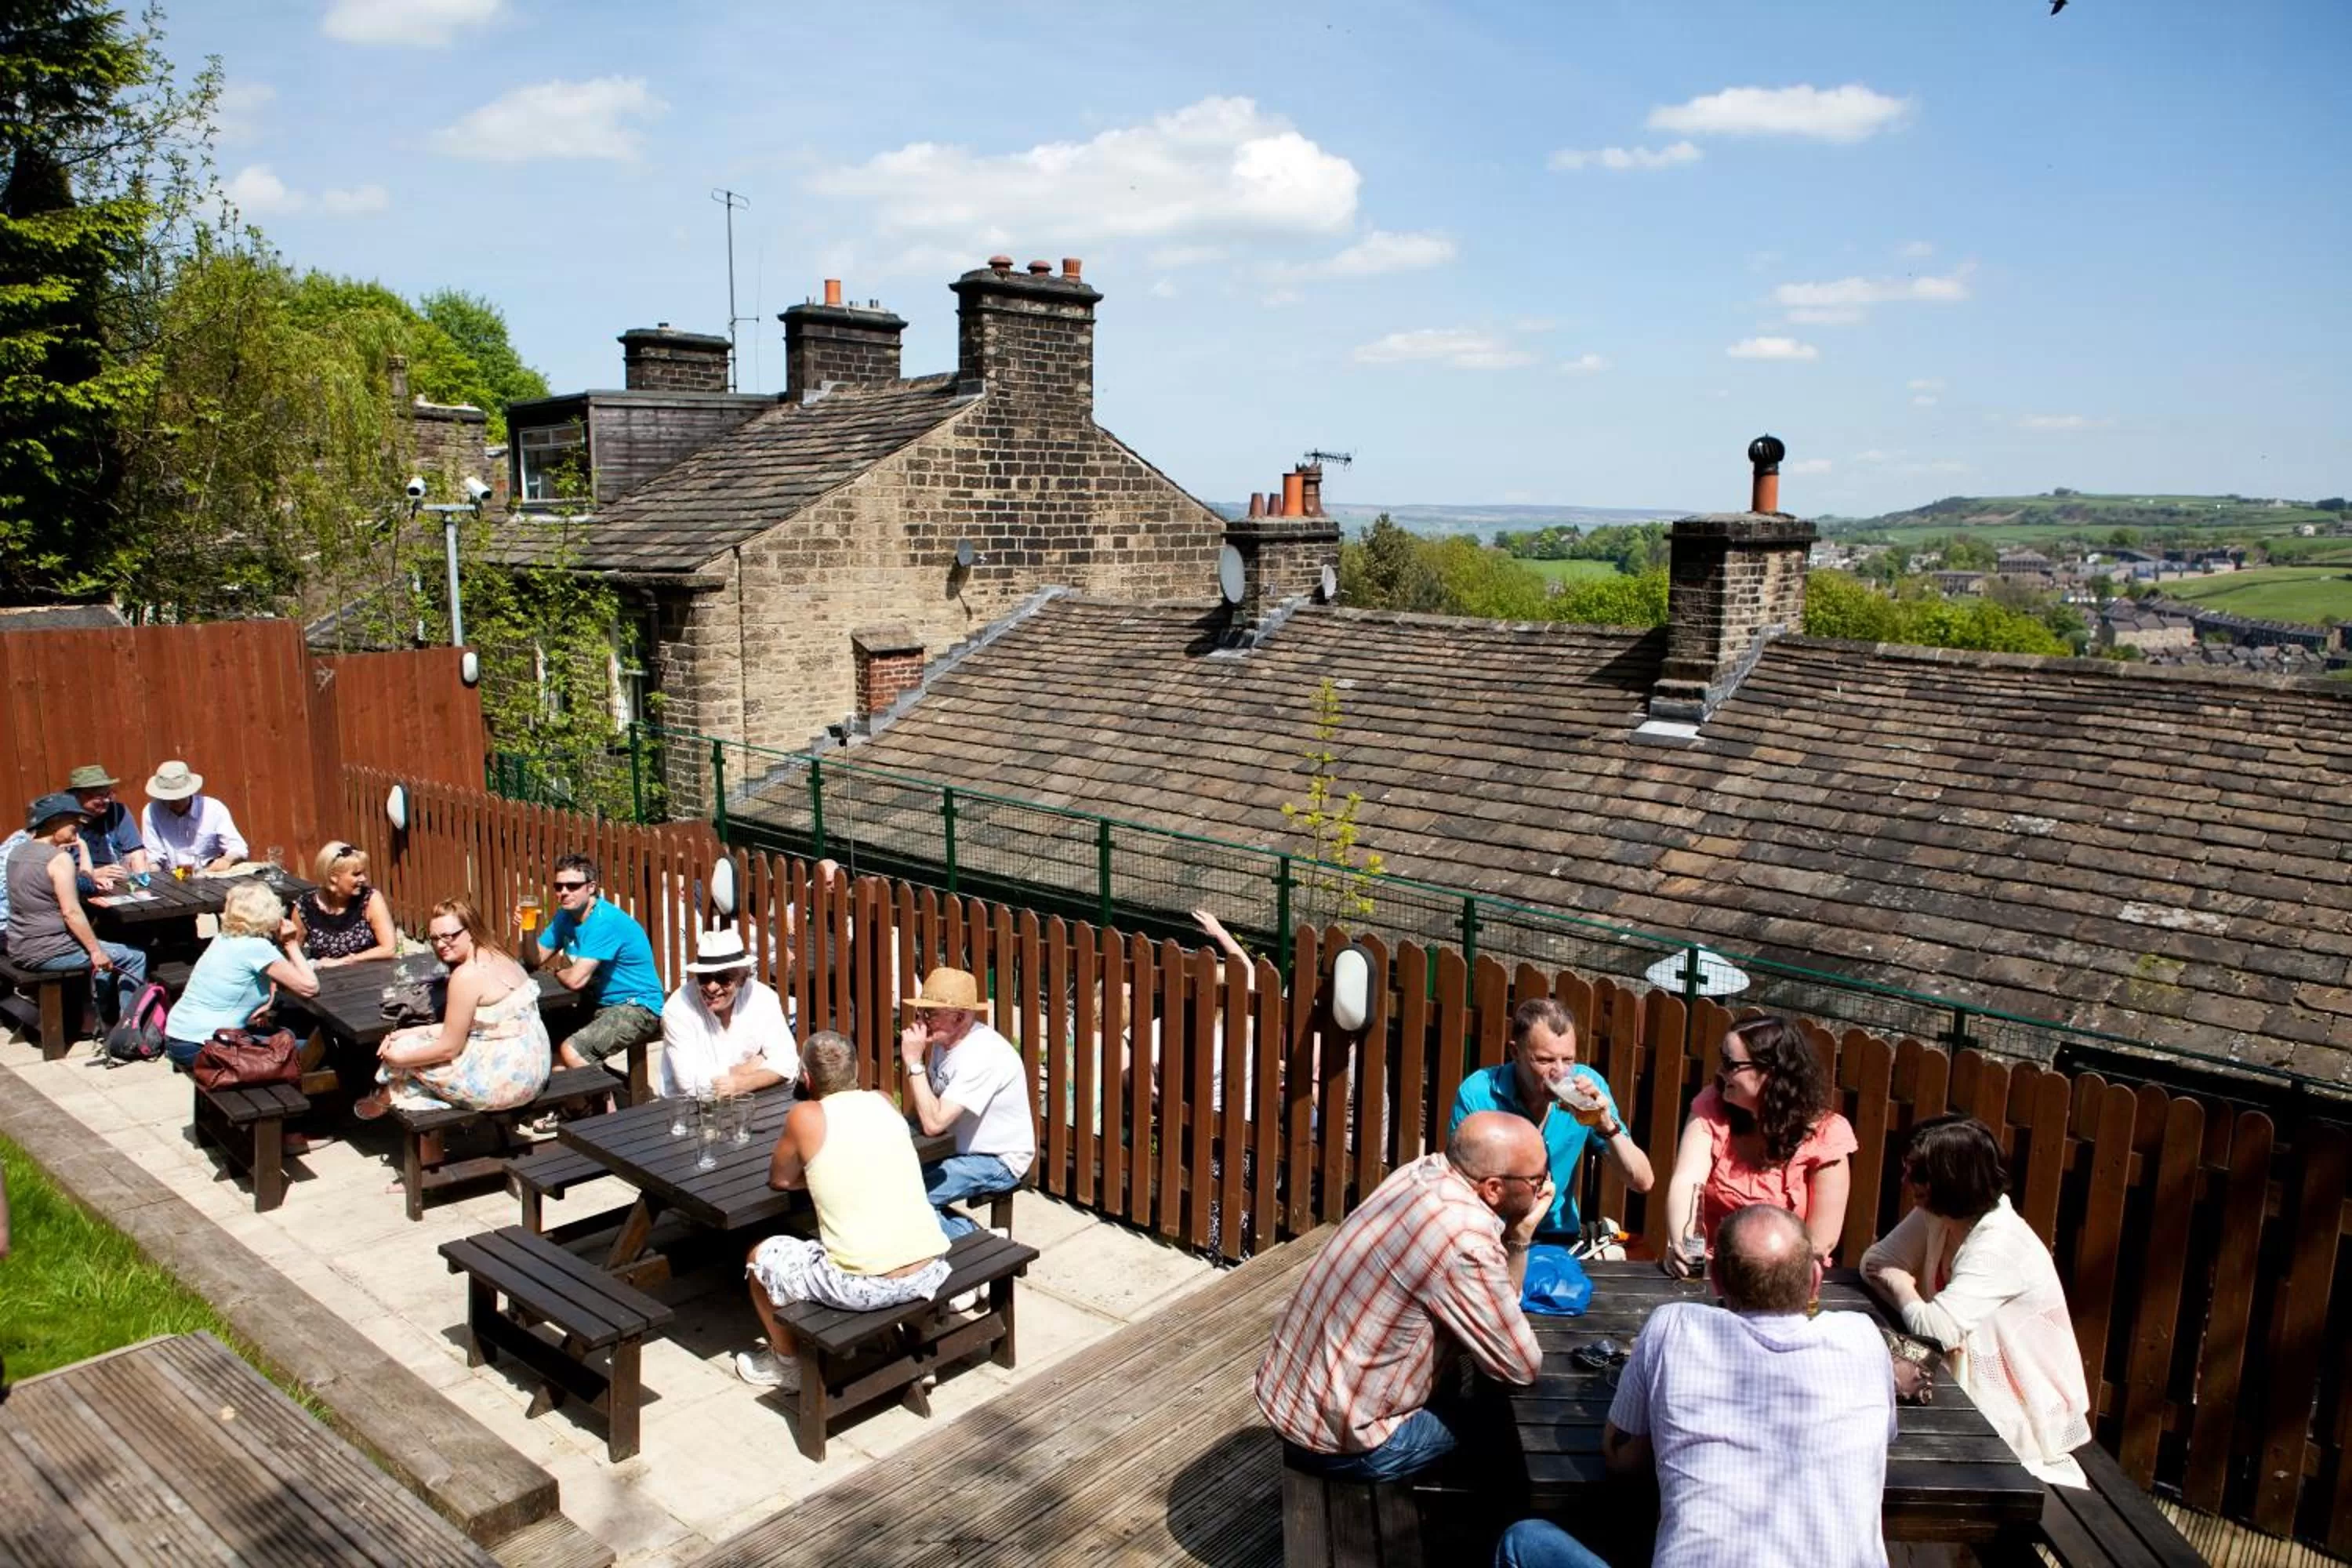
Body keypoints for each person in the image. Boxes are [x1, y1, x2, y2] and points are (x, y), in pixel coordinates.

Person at [1494, 1203, 1896, 1568]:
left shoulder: (1675, 1325)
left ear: (1716, 1280)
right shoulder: (1863, 1337)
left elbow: (1619, 1457)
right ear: (1816, 1279)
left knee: (1523, 1541)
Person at [1256, 1111, 1548, 1481]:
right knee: (1502, 1425)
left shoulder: (1421, 1171)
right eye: (1537, 1179)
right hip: (1341, 1443)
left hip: (1290, 1399)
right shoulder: (1466, 1241)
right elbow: (1520, 1366)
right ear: (1493, 1188)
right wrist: (1520, 1238)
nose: (1543, 1187)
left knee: (1459, 1366)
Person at [1863, 1115, 2092, 1486]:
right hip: (1958, 1388)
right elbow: (1872, 1263)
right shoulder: (1938, 1214)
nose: (1905, 1183)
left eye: (1916, 1175)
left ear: (1951, 1181)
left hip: (2016, 1414)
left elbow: (1938, 1331)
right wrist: (1908, 1294)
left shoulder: (2000, 1244)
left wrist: (1901, 1286)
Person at [735, 1031, 955, 1390]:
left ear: (807, 1079)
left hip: (865, 1285)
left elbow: (781, 1179)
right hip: (930, 1270)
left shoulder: (805, 1115)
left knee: (759, 1255)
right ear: (855, 1071)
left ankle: (786, 1363)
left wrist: (820, 1175)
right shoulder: (883, 1100)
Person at [1449, 996, 1654, 1243]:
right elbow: (1460, 1190)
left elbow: (1642, 1181)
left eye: (1568, 1060)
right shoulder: (1480, 1095)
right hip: (1489, 1235)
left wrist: (1606, 1126)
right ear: (1515, 1052)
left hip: (1556, 1236)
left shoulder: (1588, 1088)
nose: (1559, 1072)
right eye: (1545, 1061)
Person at [1661, 1016, 1856, 1272]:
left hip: (1788, 1279)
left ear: (1770, 1072)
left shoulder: (1828, 1134)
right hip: (1713, 1271)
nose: (1720, 1071)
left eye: (1731, 1064)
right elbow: (1687, 1182)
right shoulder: (1713, 1105)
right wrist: (1682, 1244)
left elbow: (1821, 1242)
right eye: (1722, 1059)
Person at [355, 897, 549, 1116]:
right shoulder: (501, 955)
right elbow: (481, 1025)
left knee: (402, 1050)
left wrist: (397, 1060)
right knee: (407, 1039)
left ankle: (385, 1097)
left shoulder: (466, 975)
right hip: (535, 1068)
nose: (440, 944)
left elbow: (449, 1048)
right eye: (435, 938)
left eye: (449, 936)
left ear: (471, 930)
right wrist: (407, 1032)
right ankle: (389, 1095)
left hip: (504, 1084)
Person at [898, 967, 1035, 1238]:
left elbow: (934, 1123)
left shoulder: (982, 1055)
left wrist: (914, 1063)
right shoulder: (943, 1042)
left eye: (931, 1013)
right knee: (890, 1186)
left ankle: (983, 1243)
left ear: (960, 1017)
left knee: (906, 1199)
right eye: (922, 1011)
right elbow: (929, 1103)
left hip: (997, 1159)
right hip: (959, 1148)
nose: (922, 1020)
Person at [5, 793, 149, 1022]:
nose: (79, 825)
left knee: (104, 946)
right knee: (133, 956)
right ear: (54, 822)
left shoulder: (18, 852)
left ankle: (99, 1011)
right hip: (49, 951)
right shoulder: (58, 860)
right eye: (73, 819)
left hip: (19, 946)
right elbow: (71, 913)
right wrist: (95, 952)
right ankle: (127, 1026)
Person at [527, 853, 664, 1076]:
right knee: (547, 1036)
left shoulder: (603, 921)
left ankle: (609, 1105)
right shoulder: (565, 916)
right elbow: (535, 958)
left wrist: (559, 971)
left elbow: (575, 979)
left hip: (637, 1006)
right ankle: (578, 1108)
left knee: (573, 1051)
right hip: (600, 1003)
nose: (563, 892)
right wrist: (527, 929)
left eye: (572, 886)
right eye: (558, 886)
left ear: (591, 887)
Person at [162, 881, 315, 1072]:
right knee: (312, 1049)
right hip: (205, 1047)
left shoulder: (224, 938)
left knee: (288, 1035)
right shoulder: (256, 947)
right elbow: (310, 987)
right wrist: (292, 943)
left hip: (178, 1037)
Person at [657, 927, 798, 1098]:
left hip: (752, 1099)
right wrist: (753, 1066)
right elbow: (691, 1085)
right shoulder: (678, 1007)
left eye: (724, 979)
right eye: (704, 977)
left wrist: (739, 1084)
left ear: (743, 978)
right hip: (689, 1108)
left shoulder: (763, 997)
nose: (711, 987)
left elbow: (788, 1062)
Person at [290, 841, 398, 966]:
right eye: (356, 874)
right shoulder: (305, 907)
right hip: (327, 978)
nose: (363, 879)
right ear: (333, 877)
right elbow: (293, 952)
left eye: (363, 872)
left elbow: (389, 949)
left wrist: (344, 961)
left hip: (369, 972)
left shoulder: (370, 899)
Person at [140, 760, 246, 873]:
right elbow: (154, 857)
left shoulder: (213, 809)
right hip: (171, 877)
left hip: (209, 874)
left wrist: (226, 860)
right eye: (169, 798)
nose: (175, 801)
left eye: (180, 797)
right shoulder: (151, 812)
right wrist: (151, 872)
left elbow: (238, 847)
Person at [68, 764, 149, 889]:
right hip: (77, 887)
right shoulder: (65, 821)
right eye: (100, 797)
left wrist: (141, 883)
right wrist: (94, 874)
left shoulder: (118, 812)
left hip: (118, 884)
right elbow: (53, 870)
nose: (106, 801)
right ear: (80, 796)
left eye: (108, 794)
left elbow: (135, 853)